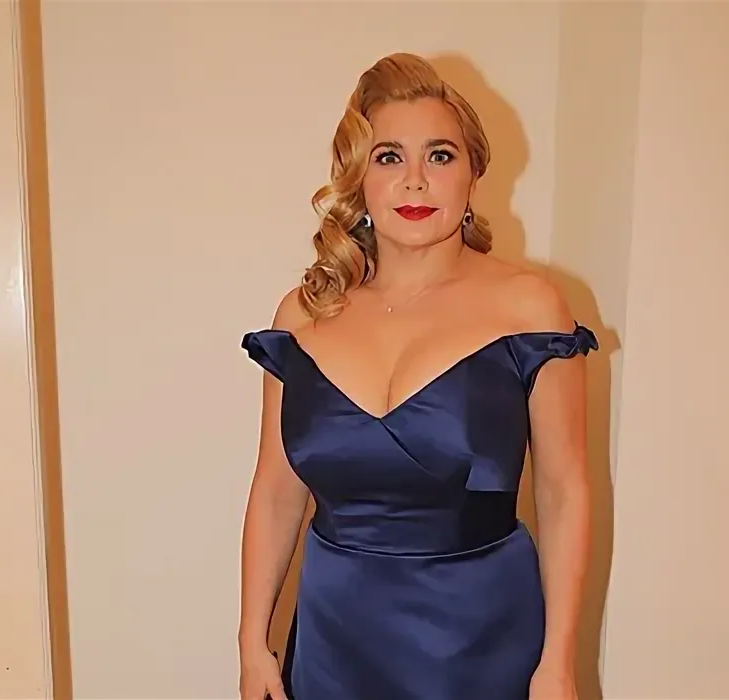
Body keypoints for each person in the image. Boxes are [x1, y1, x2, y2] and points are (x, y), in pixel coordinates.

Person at [238, 53, 598, 700]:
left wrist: (558, 662)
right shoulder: (305, 315)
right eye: (388, 157)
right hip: (333, 639)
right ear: (358, 177)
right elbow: (275, 491)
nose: (415, 181)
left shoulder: (530, 309)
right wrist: (251, 644)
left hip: (481, 641)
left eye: (439, 155)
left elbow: (563, 490)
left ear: (473, 173)